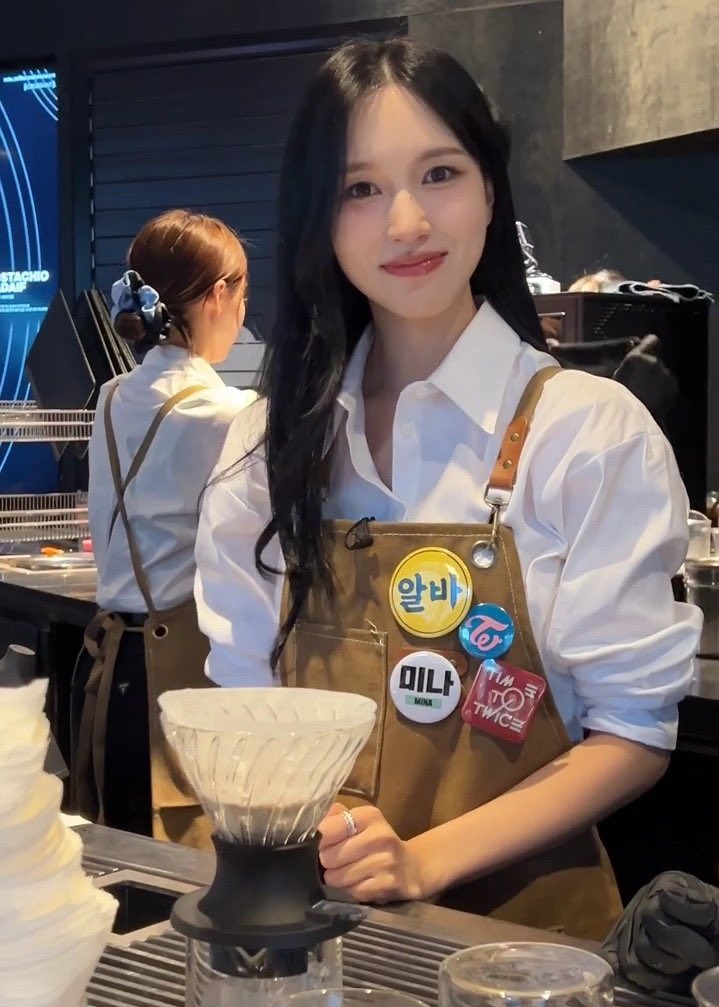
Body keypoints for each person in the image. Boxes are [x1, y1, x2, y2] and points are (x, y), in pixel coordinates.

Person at [194, 39, 701, 937]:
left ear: (489, 190)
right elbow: (243, 694)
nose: (405, 222)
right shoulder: (265, 447)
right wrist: (311, 825)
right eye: (359, 188)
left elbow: (631, 734)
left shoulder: (587, 432)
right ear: (316, 216)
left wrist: (423, 860)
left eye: (438, 173)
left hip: (523, 948)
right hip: (312, 925)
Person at [71, 208, 256, 848]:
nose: (243, 316)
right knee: (185, 861)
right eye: (243, 295)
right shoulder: (230, 413)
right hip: (182, 671)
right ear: (217, 296)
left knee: (118, 853)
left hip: (107, 665)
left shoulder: (110, 396)